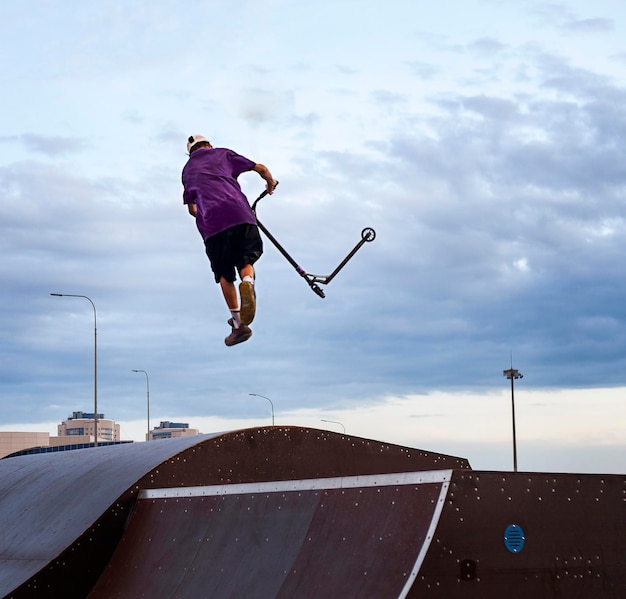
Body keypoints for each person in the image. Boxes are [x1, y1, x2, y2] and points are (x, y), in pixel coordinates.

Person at [182, 135, 277, 346]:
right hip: (240, 214)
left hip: (213, 225)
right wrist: (270, 183)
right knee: (246, 259)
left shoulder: (187, 170)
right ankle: (248, 283)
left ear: (190, 152)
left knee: (224, 274)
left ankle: (238, 325)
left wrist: (209, 212)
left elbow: (192, 209)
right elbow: (259, 168)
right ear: (209, 145)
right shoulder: (223, 154)